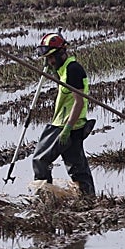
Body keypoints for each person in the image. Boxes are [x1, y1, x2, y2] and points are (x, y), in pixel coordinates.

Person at [32, 32, 95, 196]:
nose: (50, 61)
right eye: (47, 58)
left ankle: (44, 197)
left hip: (66, 125)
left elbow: (78, 101)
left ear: (61, 53)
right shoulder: (64, 69)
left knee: (40, 160)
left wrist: (67, 129)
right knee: (77, 168)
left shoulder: (73, 70)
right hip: (72, 124)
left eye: (52, 57)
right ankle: (88, 198)